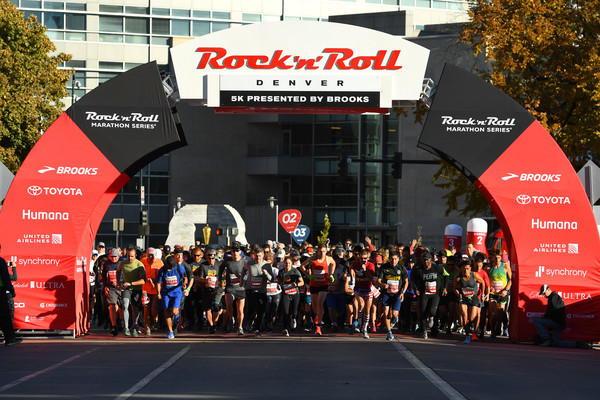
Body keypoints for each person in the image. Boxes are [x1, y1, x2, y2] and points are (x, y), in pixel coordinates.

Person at [300, 243, 334, 336]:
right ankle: (317, 319)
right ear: (317, 251)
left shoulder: (328, 258)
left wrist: (331, 274)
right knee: (315, 308)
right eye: (321, 251)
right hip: (314, 285)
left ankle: (318, 326)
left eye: (324, 251)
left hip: (324, 285)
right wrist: (308, 275)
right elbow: (302, 266)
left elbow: (333, 263)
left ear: (326, 251)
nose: (322, 253)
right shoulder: (312, 258)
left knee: (320, 303)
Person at [412, 252, 448, 339]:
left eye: (427, 260)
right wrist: (415, 289)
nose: (426, 262)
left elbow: (446, 275)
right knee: (423, 311)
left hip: (435, 294)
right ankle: (424, 331)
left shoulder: (437, 267)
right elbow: (412, 280)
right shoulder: (418, 269)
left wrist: (445, 288)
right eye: (424, 260)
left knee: (432, 311)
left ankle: (431, 318)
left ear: (431, 260)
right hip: (424, 293)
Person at [377, 250, 408, 341]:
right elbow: (378, 281)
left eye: (395, 259)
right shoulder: (384, 267)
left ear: (398, 259)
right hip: (386, 293)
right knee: (386, 312)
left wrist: (403, 293)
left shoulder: (401, 268)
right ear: (389, 259)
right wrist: (383, 285)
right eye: (391, 259)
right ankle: (389, 332)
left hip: (397, 294)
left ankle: (395, 319)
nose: (393, 261)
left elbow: (406, 282)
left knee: (394, 314)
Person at [219, 243, 248, 335]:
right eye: (233, 251)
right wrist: (220, 280)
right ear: (231, 251)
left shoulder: (244, 262)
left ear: (240, 251)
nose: (235, 252)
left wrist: (243, 279)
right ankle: (231, 319)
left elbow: (248, 272)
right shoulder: (227, 261)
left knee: (240, 310)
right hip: (230, 287)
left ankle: (240, 327)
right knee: (229, 304)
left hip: (240, 288)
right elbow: (220, 268)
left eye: (237, 250)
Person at [117, 247, 146, 337]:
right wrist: (118, 282)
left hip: (136, 289)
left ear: (135, 256)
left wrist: (131, 283)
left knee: (135, 308)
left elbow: (143, 280)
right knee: (125, 306)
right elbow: (118, 271)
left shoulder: (139, 265)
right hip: (126, 288)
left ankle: (135, 326)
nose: (130, 258)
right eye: (128, 256)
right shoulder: (122, 263)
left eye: (132, 256)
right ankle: (126, 327)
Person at [455, 260, 486, 343]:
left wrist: (483, 294)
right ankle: (467, 335)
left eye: (467, 269)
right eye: (464, 269)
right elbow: (455, 288)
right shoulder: (458, 277)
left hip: (473, 297)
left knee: (472, 318)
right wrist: (458, 293)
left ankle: (474, 333)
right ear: (461, 269)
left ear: (470, 269)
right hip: (463, 298)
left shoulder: (474, 275)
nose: (465, 271)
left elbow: (483, 282)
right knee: (464, 316)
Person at [156, 255, 187, 339]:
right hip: (166, 293)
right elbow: (158, 283)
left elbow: (185, 278)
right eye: (169, 267)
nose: (171, 269)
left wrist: (184, 284)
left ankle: (176, 316)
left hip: (177, 292)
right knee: (166, 311)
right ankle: (170, 331)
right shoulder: (162, 270)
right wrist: (158, 293)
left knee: (174, 311)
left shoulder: (179, 268)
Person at [350, 247, 376, 339]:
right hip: (358, 288)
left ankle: (364, 328)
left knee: (367, 310)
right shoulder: (355, 264)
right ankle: (359, 323)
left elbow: (372, 279)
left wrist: (365, 271)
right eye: (361, 258)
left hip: (368, 289)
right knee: (361, 304)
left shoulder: (370, 265)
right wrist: (352, 277)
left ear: (368, 258)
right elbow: (351, 268)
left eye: (365, 258)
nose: (363, 260)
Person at [196, 248, 223, 334]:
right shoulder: (203, 265)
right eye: (209, 258)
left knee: (216, 306)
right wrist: (206, 280)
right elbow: (200, 278)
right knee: (207, 308)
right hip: (206, 289)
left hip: (217, 288)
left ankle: (214, 324)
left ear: (215, 257)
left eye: (213, 258)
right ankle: (211, 325)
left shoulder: (219, 265)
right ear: (206, 257)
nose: (211, 260)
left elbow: (224, 275)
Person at [487, 249, 511, 341]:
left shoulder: (505, 266)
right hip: (493, 294)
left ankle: (501, 324)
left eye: (499, 258)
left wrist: (506, 290)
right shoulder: (488, 268)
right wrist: (489, 287)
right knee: (493, 313)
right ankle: (493, 333)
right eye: (496, 258)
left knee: (500, 315)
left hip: (502, 294)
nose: (497, 260)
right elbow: (485, 280)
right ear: (493, 258)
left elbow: (510, 280)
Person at [0, 248, 22, 346]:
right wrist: (11, 290)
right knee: (5, 316)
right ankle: (10, 339)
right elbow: (6, 278)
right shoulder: (0, 261)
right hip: (0, 291)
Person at [278, 256, 304, 336]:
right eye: (286, 263)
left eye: (289, 263)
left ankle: (293, 318)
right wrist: (279, 285)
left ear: (291, 263)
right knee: (285, 312)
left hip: (295, 293)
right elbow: (279, 281)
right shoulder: (281, 272)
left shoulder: (295, 271)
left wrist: (296, 284)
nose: (287, 265)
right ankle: (285, 329)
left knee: (294, 312)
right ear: (284, 263)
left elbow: (302, 282)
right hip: (286, 293)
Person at [142, 248, 163, 335]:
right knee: (146, 308)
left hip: (155, 289)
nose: (151, 258)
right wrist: (146, 279)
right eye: (149, 256)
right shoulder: (143, 262)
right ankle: (147, 327)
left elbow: (162, 276)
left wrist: (154, 280)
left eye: (152, 256)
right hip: (145, 289)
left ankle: (155, 321)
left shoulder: (159, 262)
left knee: (154, 308)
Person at [101, 248, 123, 336]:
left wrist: (119, 282)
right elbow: (103, 274)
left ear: (119, 256)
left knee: (122, 306)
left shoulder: (122, 263)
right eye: (111, 256)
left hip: (122, 287)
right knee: (112, 305)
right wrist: (105, 285)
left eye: (115, 256)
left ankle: (120, 321)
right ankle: (113, 325)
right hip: (111, 288)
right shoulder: (106, 263)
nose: (113, 258)